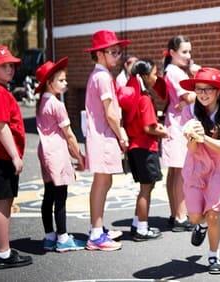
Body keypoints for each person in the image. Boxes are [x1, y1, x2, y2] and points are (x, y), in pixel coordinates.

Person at [179, 67, 220, 275]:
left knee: (213, 214)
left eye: (208, 89)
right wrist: (193, 137)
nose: (203, 94)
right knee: (195, 217)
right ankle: (200, 226)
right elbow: (192, 149)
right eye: (199, 89)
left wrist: (203, 136)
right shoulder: (189, 112)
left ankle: (214, 255)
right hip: (196, 167)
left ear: (218, 91)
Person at [84, 29, 130, 251]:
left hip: (102, 136)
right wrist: (121, 133)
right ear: (100, 54)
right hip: (103, 136)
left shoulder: (100, 75)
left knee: (104, 181)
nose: (117, 56)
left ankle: (98, 228)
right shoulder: (102, 76)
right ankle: (95, 234)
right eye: (113, 52)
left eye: (119, 52)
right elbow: (110, 112)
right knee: (102, 182)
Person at [35, 57, 87, 252]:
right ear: (49, 82)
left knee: (48, 195)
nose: (66, 83)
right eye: (61, 80)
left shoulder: (42, 102)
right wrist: (79, 157)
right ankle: (63, 238)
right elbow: (70, 135)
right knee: (60, 197)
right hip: (57, 152)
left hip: (45, 151)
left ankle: (50, 236)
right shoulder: (57, 104)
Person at [0, 45, 32, 269]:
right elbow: (1, 126)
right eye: (3, 66)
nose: (10, 69)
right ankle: (3, 253)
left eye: (11, 65)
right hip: (1, 157)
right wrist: (15, 156)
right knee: (2, 204)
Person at [118, 59, 168, 241]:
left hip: (135, 148)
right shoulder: (145, 98)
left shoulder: (135, 95)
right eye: (154, 74)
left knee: (144, 188)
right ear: (145, 76)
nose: (156, 77)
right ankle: (142, 229)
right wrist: (164, 132)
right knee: (146, 189)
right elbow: (149, 128)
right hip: (145, 148)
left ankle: (136, 223)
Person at [161, 35, 196, 232]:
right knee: (180, 173)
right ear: (172, 53)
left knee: (175, 173)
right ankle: (181, 217)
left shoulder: (172, 70)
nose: (188, 55)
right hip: (178, 125)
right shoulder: (175, 72)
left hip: (175, 123)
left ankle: (175, 213)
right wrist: (198, 83)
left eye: (189, 51)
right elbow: (190, 95)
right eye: (184, 52)